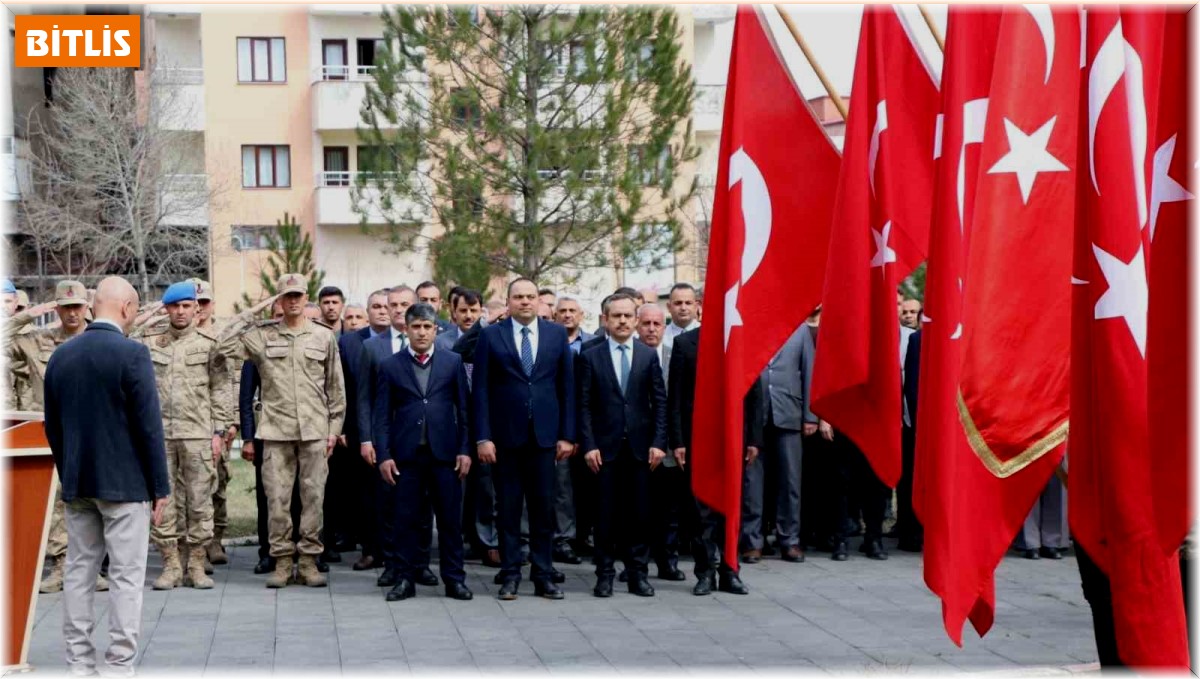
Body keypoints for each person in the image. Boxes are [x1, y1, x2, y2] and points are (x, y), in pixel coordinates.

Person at [43, 276, 170, 676]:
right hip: (125, 485)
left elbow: (52, 426)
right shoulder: (133, 353)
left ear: (94, 305)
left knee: (79, 572)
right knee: (126, 577)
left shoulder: (61, 356)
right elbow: (149, 426)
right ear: (128, 308)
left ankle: (79, 663)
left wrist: (69, 470)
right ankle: (119, 664)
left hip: (78, 482)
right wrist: (160, 486)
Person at [217, 274, 346, 588]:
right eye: (287, 296)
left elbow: (336, 388)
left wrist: (333, 430)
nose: (293, 301)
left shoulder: (323, 336)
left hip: (314, 431)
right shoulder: (262, 336)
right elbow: (222, 345)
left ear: (306, 297)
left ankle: (309, 562)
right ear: (279, 300)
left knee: (313, 499)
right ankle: (282, 561)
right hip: (275, 432)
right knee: (277, 501)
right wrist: (251, 313)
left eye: (298, 295)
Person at [472, 277, 575, 600]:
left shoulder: (556, 334)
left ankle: (543, 574)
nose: (526, 302)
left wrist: (567, 435)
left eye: (531, 296)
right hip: (506, 438)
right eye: (519, 297)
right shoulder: (492, 335)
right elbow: (481, 389)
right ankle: (511, 574)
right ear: (509, 302)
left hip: (545, 438)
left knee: (543, 509)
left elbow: (567, 387)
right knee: (508, 509)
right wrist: (483, 437)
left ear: (539, 301)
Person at [5, 280, 108, 594]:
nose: (72, 314)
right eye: (65, 308)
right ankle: (61, 565)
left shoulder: (101, 340)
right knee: (55, 503)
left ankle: (91, 568)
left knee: (91, 501)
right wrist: (29, 314)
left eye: (77, 307)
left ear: (86, 307)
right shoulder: (38, 341)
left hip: (92, 433)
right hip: (51, 433)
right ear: (56, 309)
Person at [372, 303, 474, 602]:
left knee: (449, 521)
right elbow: (382, 416)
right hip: (406, 456)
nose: (421, 332)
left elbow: (464, 410)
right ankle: (405, 579)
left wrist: (465, 449)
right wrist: (384, 455)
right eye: (415, 326)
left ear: (435, 330)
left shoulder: (452, 362)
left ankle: (454, 579)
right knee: (405, 520)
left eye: (427, 327)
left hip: (445, 455)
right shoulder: (390, 365)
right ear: (406, 329)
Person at [139, 281, 231, 591]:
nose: (180, 312)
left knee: (200, 502)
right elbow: (125, 336)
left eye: (186, 306)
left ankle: (196, 564)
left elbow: (221, 388)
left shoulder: (209, 343)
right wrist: (150, 314)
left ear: (196, 309)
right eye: (174, 306)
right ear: (166, 308)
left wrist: (219, 431)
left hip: (197, 435)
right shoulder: (150, 341)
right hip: (160, 436)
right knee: (163, 502)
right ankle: (171, 565)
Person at [577, 294, 667, 597]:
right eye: (616, 316)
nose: (623, 321)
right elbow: (583, 405)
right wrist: (589, 444)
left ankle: (637, 574)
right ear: (605, 320)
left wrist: (659, 442)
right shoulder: (591, 356)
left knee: (639, 515)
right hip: (604, 450)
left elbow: (659, 402)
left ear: (636, 320)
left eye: (628, 316)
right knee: (605, 516)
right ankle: (604, 574)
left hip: (641, 450)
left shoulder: (647, 355)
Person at [668, 327, 760, 595]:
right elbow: (676, 397)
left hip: (734, 438)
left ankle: (731, 571)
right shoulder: (685, 343)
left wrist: (754, 439)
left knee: (731, 508)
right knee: (701, 511)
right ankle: (705, 571)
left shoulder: (742, 339)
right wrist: (678, 441)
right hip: (698, 439)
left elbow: (755, 393)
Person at [358, 285, 439, 589]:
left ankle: (421, 564)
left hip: (424, 438)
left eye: (405, 304)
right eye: (392, 304)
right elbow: (365, 397)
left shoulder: (436, 342)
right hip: (388, 439)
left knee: (424, 506)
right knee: (390, 504)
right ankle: (392, 564)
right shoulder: (372, 347)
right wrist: (368, 439)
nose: (397, 309)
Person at [740, 323, 816, 564]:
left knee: (790, 481)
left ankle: (789, 540)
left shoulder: (800, 330)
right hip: (755, 417)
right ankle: (753, 541)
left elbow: (809, 370)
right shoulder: (751, 324)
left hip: (789, 412)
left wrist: (810, 416)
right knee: (752, 483)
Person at [633, 302, 686, 580]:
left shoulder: (675, 355)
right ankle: (635, 564)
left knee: (669, 510)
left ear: (664, 327)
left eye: (657, 324)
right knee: (636, 509)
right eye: (646, 324)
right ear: (637, 325)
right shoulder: (627, 355)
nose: (651, 329)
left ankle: (668, 562)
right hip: (635, 444)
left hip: (667, 447)